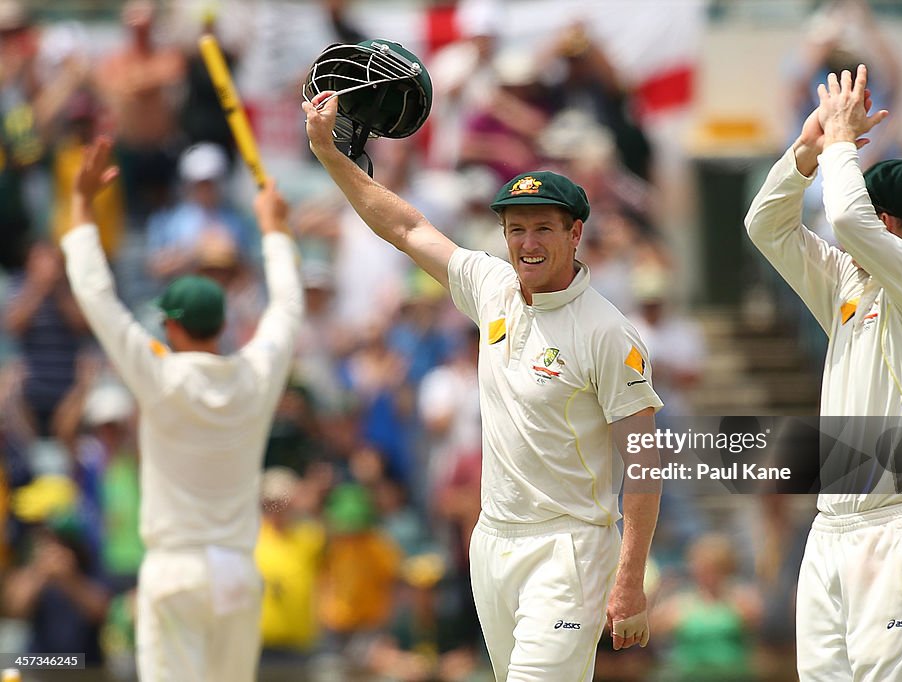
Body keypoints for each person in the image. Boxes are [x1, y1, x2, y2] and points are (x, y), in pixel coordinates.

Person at [305, 90, 664, 681]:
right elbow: (404, 225)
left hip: (568, 550)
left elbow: (645, 462)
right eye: (515, 228)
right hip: (492, 542)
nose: (527, 243)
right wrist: (328, 152)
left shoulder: (608, 332)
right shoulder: (490, 287)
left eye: (543, 229)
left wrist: (630, 580)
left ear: (575, 234)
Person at [745, 65, 902, 680]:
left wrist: (844, 141)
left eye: (871, 214)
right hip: (832, 528)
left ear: (887, 226)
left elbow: (845, 220)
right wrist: (809, 148)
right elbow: (764, 225)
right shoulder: (849, 282)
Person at [61, 136, 304, 682]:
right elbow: (288, 306)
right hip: (239, 573)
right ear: (221, 326)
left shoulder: (160, 375)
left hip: (176, 572)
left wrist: (79, 209)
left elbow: (97, 298)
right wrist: (273, 228)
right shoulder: (256, 374)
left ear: (170, 327)